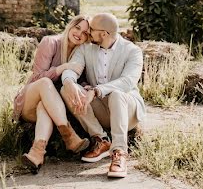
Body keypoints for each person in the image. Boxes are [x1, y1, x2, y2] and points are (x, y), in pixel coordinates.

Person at [60, 12, 145, 179]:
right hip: (100, 108)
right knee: (66, 89)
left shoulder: (132, 51)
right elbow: (72, 68)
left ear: (104, 34)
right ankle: (101, 139)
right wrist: (69, 81)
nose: (87, 32)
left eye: (91, 29)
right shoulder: (85, 48)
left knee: (117, 94)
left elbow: (128, 81)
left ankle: (120, 152)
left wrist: (97, 90)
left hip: (127, 110)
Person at [13, 14, 92, 172]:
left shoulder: (82, 52)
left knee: (45, 106)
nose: (79, 34)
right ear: (71, 26)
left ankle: (36, 153)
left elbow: (81, 79)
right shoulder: (50, 42)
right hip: (30, 98)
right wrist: (61, 68)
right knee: (45, 83)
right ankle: (68, 134)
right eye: (77, 28)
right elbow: (36, 77)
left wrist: (88, 88)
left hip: (51, 106)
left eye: (85, 33)